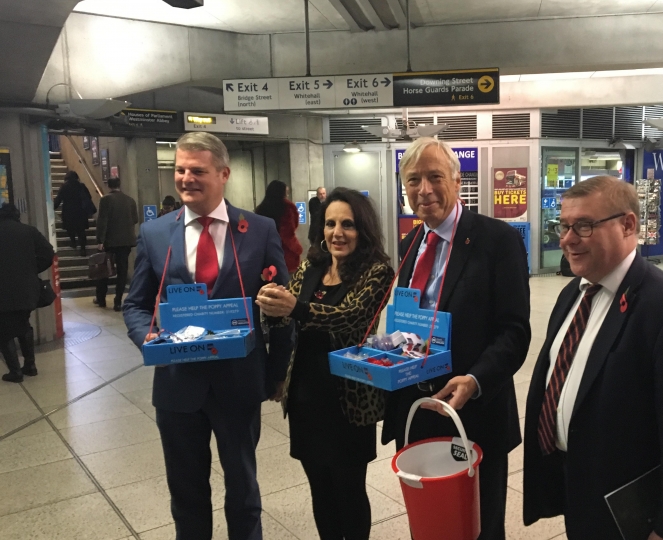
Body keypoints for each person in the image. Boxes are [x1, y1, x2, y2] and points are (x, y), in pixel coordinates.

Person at [522, 176, 663, 540]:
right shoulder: (572, 296)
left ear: (628, 225)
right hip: (582, 492)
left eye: (583, 225)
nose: (566, 239)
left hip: (634, 512)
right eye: (563, 226)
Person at [122, 132, 292, 540]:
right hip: (178, 385)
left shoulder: (259, 230)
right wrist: (150, 339)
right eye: (180, 170)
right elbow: (135, 304)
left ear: (223, 174)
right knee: (186, 491)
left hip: (238, 382)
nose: (185, 178)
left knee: (243, 490)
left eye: (197, 171)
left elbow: (283, 311)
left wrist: (277, 373)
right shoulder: (156, 234)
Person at [381, 137, 531, 540]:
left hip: (472, 408)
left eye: (434, 177)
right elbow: (409, 317)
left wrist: (475, 380)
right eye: (413, 180)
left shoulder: (497, 240)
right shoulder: (411, 242)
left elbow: (515, 331)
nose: (424, 190)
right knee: (430, 520)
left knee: (477, 525)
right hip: (416, 404)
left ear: (457, 179)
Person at [257, 188, 395, 540]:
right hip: (305, 395)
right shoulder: (312, 267)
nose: (337, 232)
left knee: (349, 491)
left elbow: (350, 319)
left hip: (347, 400)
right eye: (330, 223)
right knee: (320, 489)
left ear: (362, 229)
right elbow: (289, 319)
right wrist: (272, 308)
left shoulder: (376, 272)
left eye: (347, 224)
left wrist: (294, 308)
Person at [0, 202, 55, 382]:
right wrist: (33, 269)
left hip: (3, 290)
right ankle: (30, 365)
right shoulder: (29, 231)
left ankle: (15, 372)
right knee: (23, 323)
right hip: (28, 288)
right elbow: (48, 252)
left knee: (4, 330)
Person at [94, 177, 138, 311]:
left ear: (108, 186)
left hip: (110, 241)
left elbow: (103, 221)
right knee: (122, 271)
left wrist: (100, 240)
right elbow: (135, 219)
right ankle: (118, 301)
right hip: (126, 242)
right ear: (120, 185)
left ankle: (101, 299)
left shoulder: (105, 200)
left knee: (105, 270)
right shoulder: (130, 200)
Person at [256, 180, 303, 273]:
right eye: (286, 193)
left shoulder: (261, 209)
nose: (287, 196)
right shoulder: (287, 208)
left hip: (264, 252)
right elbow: (287, 234)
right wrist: (297, 249)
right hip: (284, 253)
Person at [53, 170, 94, 256]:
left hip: (68, 212)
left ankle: (73, 242)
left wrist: (53, 207)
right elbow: (89, 196)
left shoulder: (64, 186)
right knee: (81, 231)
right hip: (80, 212)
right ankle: (83, 249)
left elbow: (58, 199)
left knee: (70, 228)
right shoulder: (81, 186)